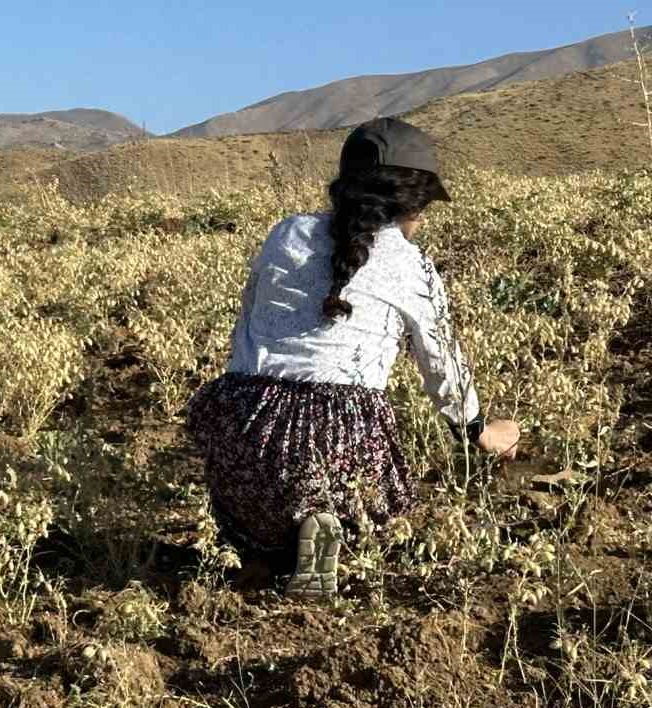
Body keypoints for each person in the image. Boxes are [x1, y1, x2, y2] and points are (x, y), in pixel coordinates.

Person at [186, 118, 519, 599]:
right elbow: (441, 363)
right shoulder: (411, 265)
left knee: (250, 496)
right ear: (414, 204)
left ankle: (259, 549)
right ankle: (330, 521)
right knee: (379, 512)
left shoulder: (286, 234)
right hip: (337, 433)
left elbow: (247, 324)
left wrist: (239, 409)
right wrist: (477, 431)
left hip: (246, 424)